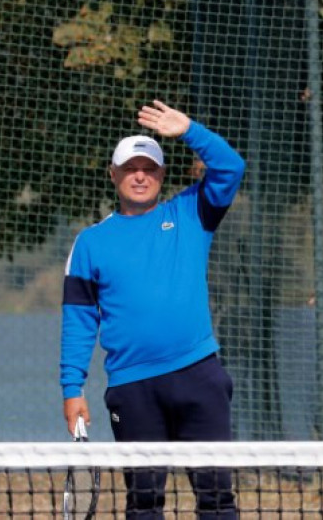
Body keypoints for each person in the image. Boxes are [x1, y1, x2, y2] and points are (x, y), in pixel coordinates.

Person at [60, 100, 246, 519]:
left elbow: (231, 167)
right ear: (114, 175)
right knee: (143, 504)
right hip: (133, 388)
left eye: (149, 168)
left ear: (161, 175)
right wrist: (72, 390)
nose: (139, 175)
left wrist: (189, 131)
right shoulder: (90, 242)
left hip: (199, 375)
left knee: (217, 499)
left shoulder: (191, 212)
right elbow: (78, 320)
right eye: (130, 168)